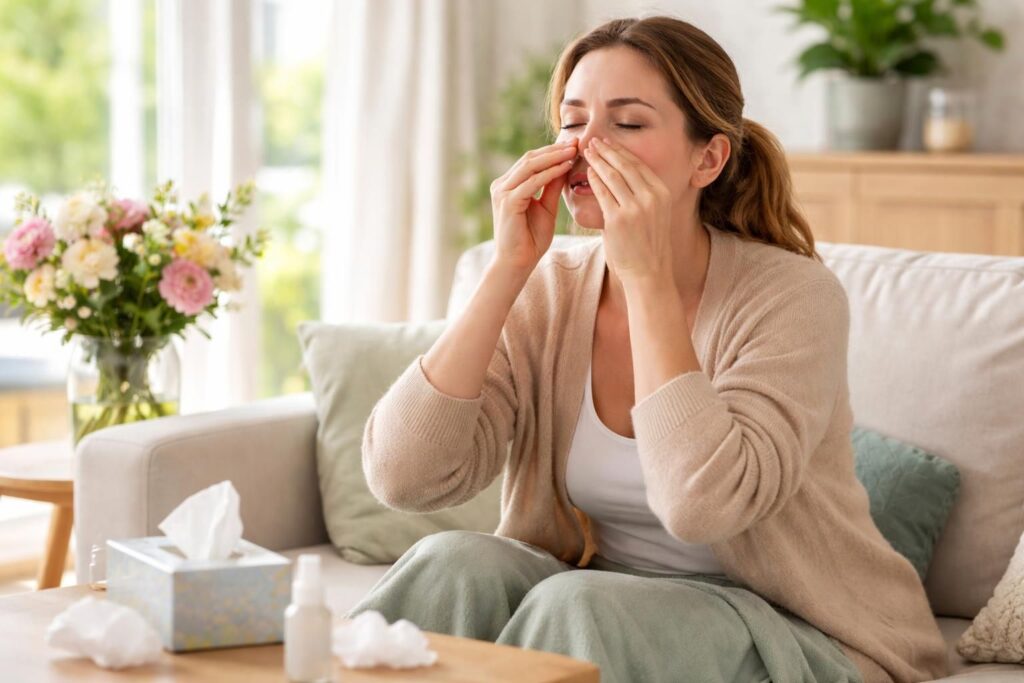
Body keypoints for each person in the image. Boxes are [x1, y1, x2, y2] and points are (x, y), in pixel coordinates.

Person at [346, 15, 947, 683]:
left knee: (579, 605)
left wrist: (646, 280)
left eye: (627, 124)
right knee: (450, 563)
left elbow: (703, 507)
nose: (586, 146)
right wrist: (507, 270)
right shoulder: (547, 290)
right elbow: (403, 477)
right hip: (603, 596)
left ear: (707, 158)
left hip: (791, 625)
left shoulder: (792, 296)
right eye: (573, 122)